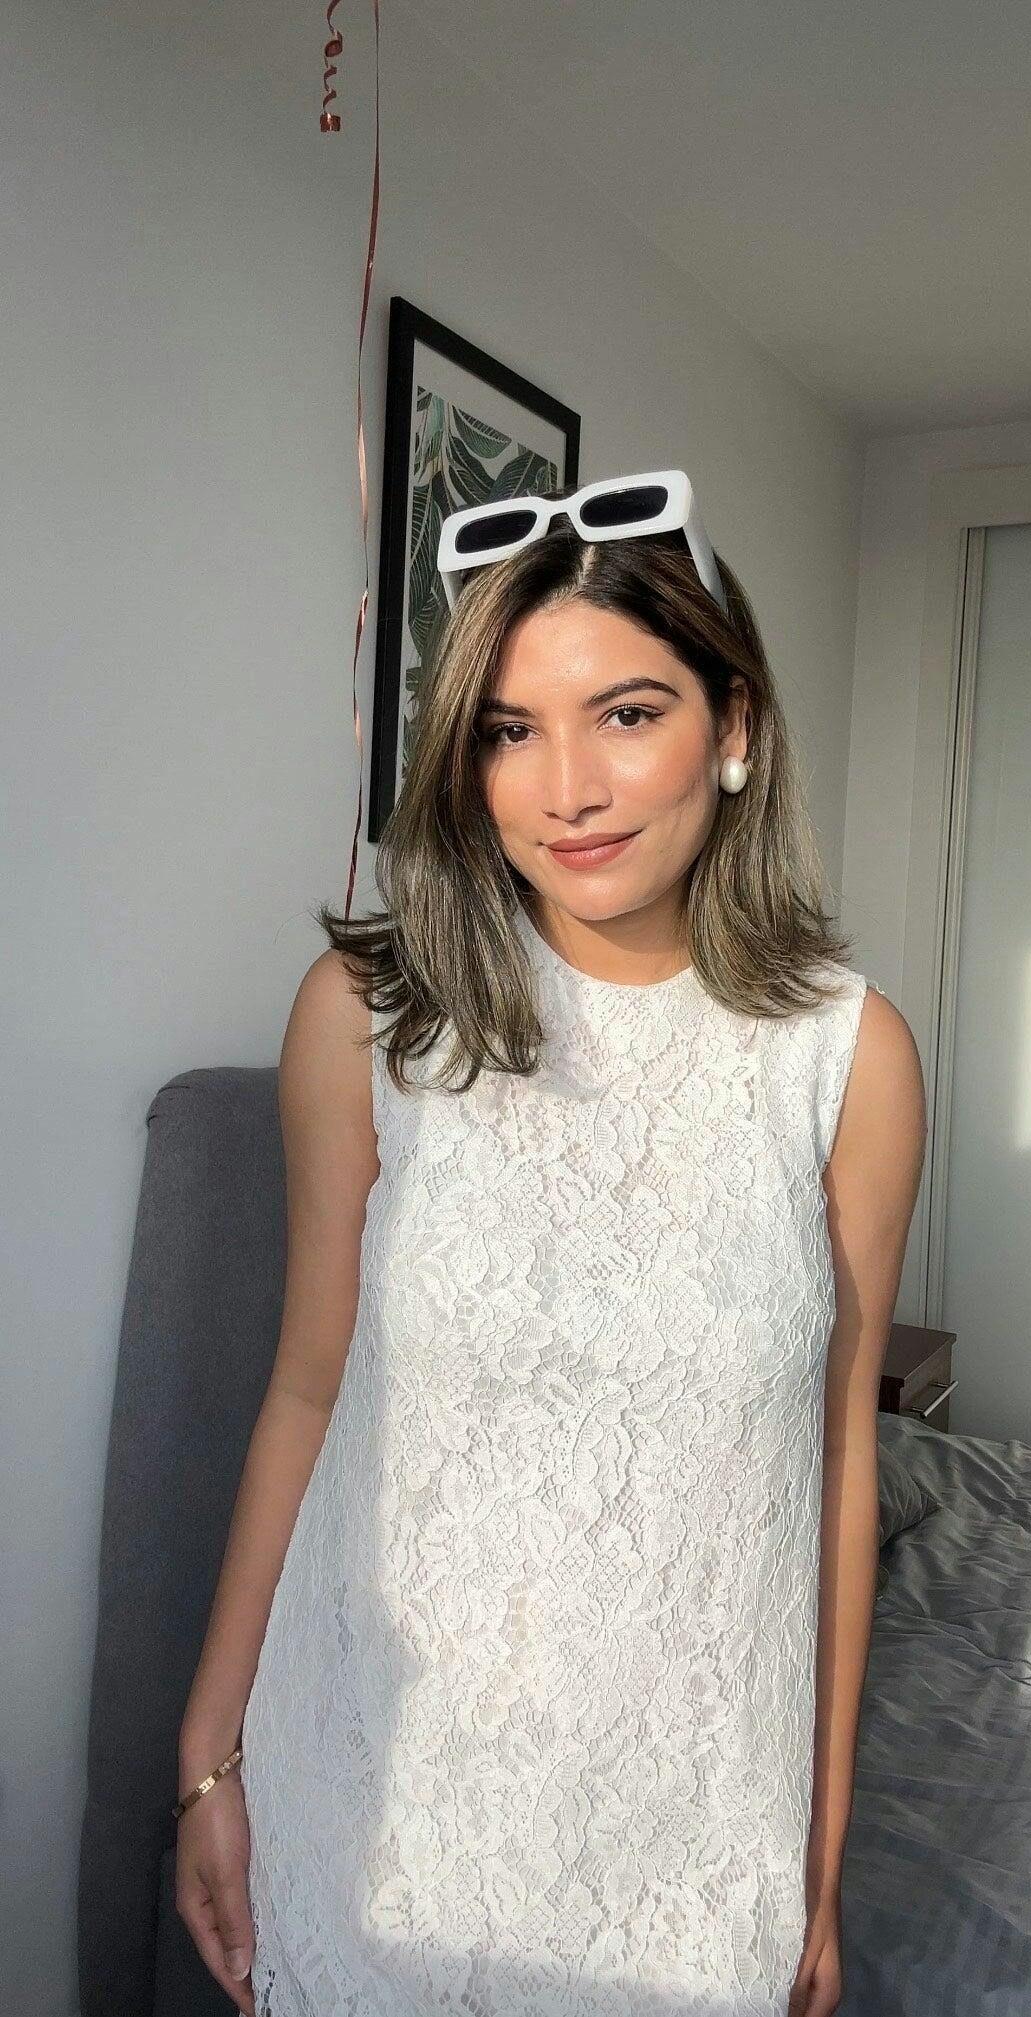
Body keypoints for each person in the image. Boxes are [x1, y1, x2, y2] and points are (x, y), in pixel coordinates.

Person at [175, 470, 926, 2017]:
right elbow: (308, 1386)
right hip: (378, 1809)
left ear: (733, 725)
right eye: (509, 731)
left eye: (626, 713)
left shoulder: (846, 1057)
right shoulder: (369, 1019)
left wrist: (815, 1855)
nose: (565, 787)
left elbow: (834, 1456)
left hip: (687, 1837)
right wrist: (208, 1756)